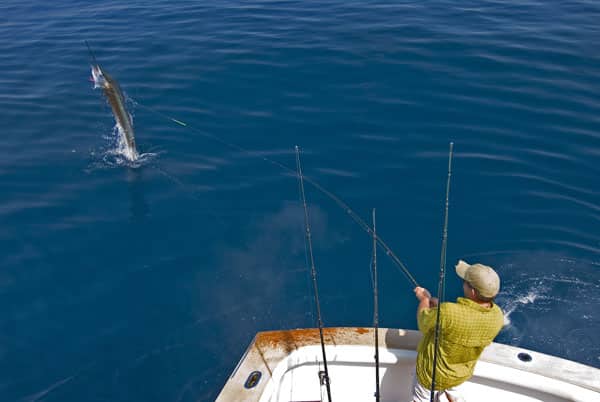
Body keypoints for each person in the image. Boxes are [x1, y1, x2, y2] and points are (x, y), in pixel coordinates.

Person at [411, 260, 504, 402]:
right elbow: (465, 321)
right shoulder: (498, 316)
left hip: (431, 376)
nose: (463, 283)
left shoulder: (448, 312)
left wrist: (424, 299)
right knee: (454, 391)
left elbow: (423, 322)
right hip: (460, 374)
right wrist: (439, 307)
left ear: (472, 291)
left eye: (465, 282)